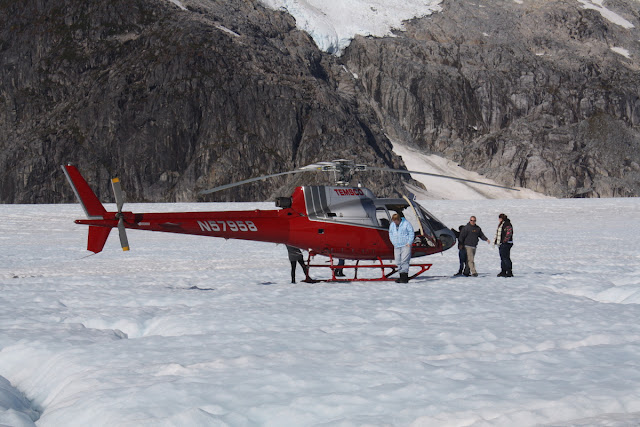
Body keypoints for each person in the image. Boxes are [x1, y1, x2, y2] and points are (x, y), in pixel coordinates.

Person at [388, 213, 415, 283]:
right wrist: (393, 242)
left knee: (404, 260)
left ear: (399, 219)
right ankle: (401, 276)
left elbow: (411, 232)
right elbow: (390, 233)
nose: (395, 222)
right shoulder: (392, 225)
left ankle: (404, 277)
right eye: (394, 221)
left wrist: (409, 242)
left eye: (396, 221)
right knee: (398, 261)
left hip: (405, 245)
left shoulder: (406, 223)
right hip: (397, 245)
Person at [494, 213, 514, 277]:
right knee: (503, 257)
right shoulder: (502, 224)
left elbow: (508, 233)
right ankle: (503, 271)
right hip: (501, 243)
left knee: (505, 257)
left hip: (506, 243)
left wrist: (504, 241)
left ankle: (509, 271)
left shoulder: (507, 224)